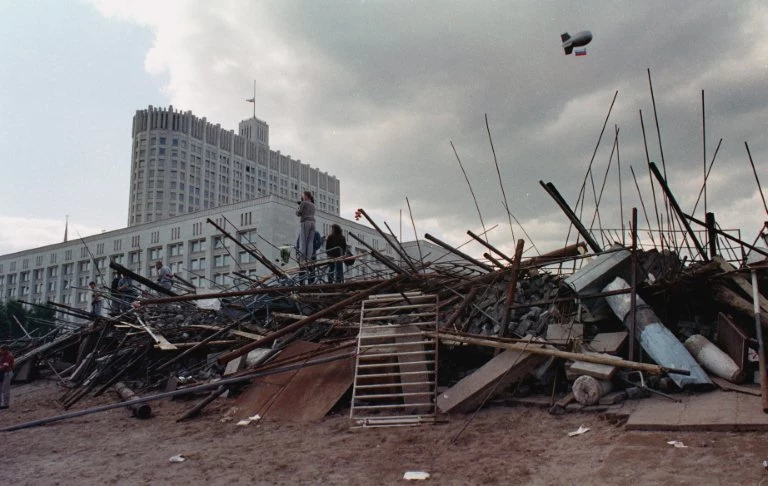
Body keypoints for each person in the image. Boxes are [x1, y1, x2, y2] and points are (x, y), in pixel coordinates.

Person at [295, 191, 316, 264]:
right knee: (310, 242)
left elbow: (298, 213)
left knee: (303, 241)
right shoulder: (313, 205)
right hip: (313, 223)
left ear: (306, 196)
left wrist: (299, 206)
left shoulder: (303, 203)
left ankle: (302, 260)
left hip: (305, 222)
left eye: (303, 195)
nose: (302, 197)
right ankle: (308, 259)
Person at [0, 345, 14, 409]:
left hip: (6, 373)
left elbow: (5, 367)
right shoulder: (2, 355)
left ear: (5, 350)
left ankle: (6, 404)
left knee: (5, 389)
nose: (0, 351)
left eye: (1, 350)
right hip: (2, 373)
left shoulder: (9, 356)